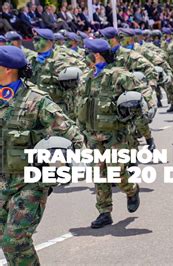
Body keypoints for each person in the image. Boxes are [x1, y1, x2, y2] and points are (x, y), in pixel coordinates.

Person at [0, 45, 84, 265]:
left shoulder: (36, 100)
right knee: (5, 240)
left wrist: (56, 169)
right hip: (2, 182)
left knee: (15, 241)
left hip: (29, 184)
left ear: (8, 69)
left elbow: (74, 137)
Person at [76, 39, 143, 228]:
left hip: (115, 135)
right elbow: (81, 105)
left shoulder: (119, 76)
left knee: (117, 172)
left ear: (97, 55)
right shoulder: (87, 78)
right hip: (92, 135)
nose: (85, 55)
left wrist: (138, 127)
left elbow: (139, 99)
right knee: (99, 175)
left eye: (88, 52)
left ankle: (131, 190)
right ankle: (104, 212)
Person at [30, 28, 86, 117]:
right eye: (34, 39)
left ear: (49, 42)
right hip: (35, 109)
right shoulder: (31, 61)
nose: (34, 42)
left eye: (37, 40)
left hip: (56, 111)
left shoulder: (62, 60)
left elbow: (83, 77)